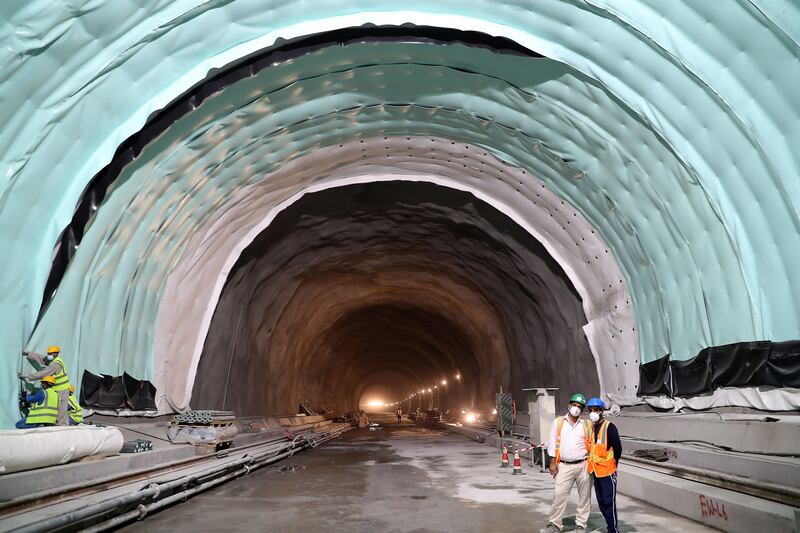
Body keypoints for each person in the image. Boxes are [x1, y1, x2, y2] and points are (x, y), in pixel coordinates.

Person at [541, 393, 592, 533]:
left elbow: (592, 444)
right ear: (569, 405)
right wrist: (552, 462)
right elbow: (552, 443)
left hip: (583, 465)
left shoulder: (586, 424)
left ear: (582, 410)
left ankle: (581, 525)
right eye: (574, 405)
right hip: (563, 465)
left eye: (580, 407)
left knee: (584, 497)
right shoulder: (558, 422)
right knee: (559, 495)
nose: (576, 408)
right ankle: (555, 525)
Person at [586, 397, 622, 533]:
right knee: (601, 503)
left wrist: (614, 463)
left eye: (595, 410)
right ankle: (610, 527)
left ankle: (614, 530)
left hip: (608, 472)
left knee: (609, 503)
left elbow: (618, 448)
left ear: (601, 411)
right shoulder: (592, 427)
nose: (592, 412)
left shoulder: (609, 427)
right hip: (596, 471)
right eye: (590, 410)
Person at [19, 345, 72, 426]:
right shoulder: (54, 359)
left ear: (56, 354)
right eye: (48, 353)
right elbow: (42, 359)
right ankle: (57, 425)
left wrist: (28, 375)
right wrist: (29, 354)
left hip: (62, 390)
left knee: (61, 411)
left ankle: (61, 428)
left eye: (51, 353)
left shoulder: (56, 364)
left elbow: (43, 374)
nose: (49, 355)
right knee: (58, 410)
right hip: (58, 390)